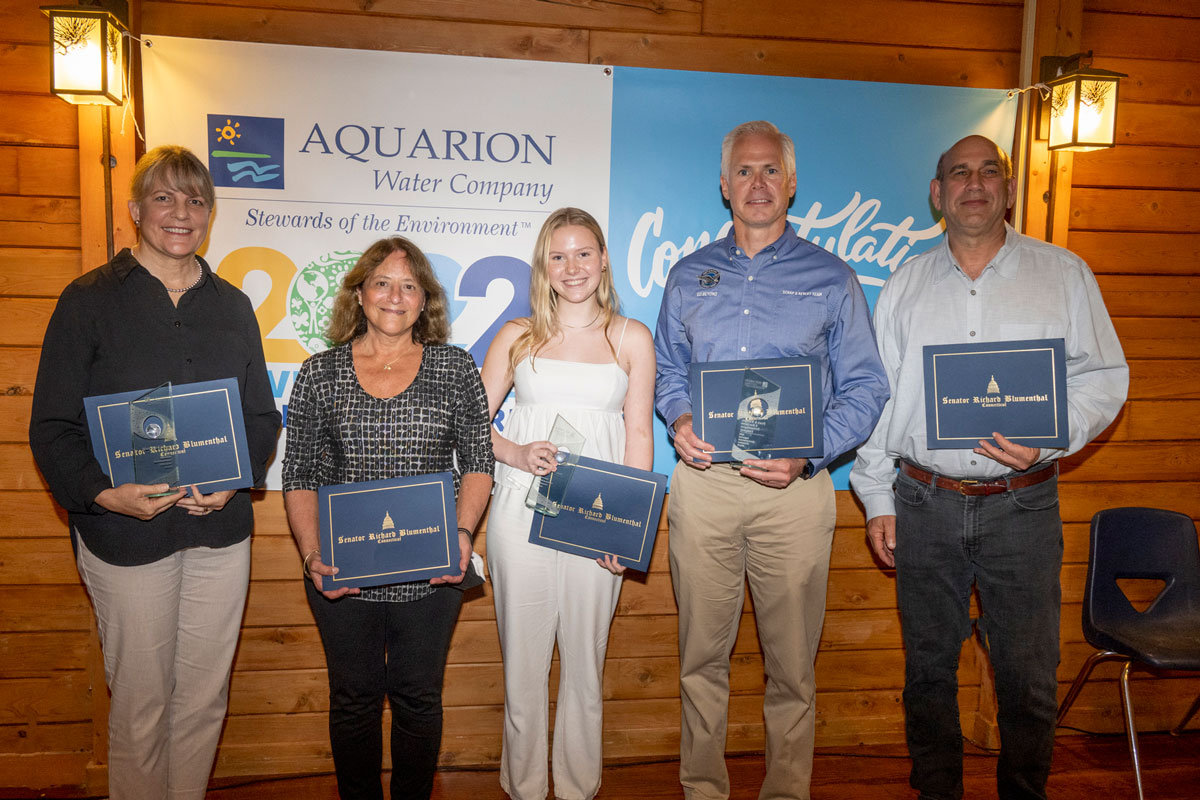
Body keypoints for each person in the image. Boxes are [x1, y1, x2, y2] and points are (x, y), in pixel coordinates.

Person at [849, 135, 1128, 800]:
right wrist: (876, 497)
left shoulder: (1064, 274)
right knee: (928, 674)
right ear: (938, 194)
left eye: (988, 171)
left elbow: (1106, 377)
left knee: (1030, 677)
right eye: (958, 173)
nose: (974, 183)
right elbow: (882, 399)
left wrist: (1051, 436)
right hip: (924, 503)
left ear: (1006, 188)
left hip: (1022, 506)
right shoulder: (906, 285)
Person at [28, 145, 281, 799]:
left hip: (219, 533)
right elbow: (52, 428)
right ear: (136, 210)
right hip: (125, 539)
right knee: (141, 707)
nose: (181, 212)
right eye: (165, 197)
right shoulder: (87, 301)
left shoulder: (232, 306)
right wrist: (105, 495)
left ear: (210, 215)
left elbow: (261, 417)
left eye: (196, 200)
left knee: (202, 702)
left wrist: (236, 477)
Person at [654, 120, 890, 800]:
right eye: (744, 172)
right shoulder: (686, 275)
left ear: (790, 184)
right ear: (723, 186)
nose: (757, 183)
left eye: (770, 171)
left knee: (792, 666)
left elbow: (868, 384)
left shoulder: (832, 277)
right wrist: (680, 414)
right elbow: (669, 368)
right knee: (701, 657)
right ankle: (703, 789)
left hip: (796, 493)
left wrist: (809, 452)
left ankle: (786, 792)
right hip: (705, 486)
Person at [282, 236, 494, 800]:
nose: (394, 296)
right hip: (343, 569)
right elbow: (298, 473)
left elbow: (478, 461)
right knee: (352, 699)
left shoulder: (454, 368)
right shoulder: (318, 374)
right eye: (382, 282)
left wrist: (463, 535)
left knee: (418, 696)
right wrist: (310, 557)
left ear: (425, 301)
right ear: (360, 293)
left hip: (431, 570)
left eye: (409, 286)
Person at [479, 207, 656, 800]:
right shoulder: (516, 335)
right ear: (543, 265)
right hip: (516, 513)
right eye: (558, 255)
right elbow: (472, 428)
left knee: (586, 663)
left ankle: (579, 789)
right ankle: (524, 788)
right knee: (522, 665)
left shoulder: (631, 337)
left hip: (596, 518)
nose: (572, 266)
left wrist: (627, 532)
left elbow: (638, 437)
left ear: (603, 259)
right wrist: (514, 451)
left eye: (583, 253)